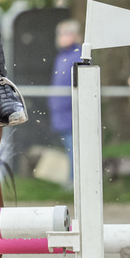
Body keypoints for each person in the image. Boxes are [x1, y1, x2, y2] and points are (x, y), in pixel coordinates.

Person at [48, 19, 84, 182]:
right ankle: (72, 180)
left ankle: (75, 181)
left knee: (75, 149)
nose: (62, 37)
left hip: (72, 112)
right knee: (69, 148)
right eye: (61, 33)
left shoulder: (78, 55)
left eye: (66, 33)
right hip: (61, 113)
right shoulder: (62, 56)